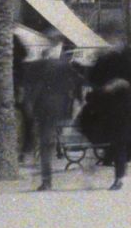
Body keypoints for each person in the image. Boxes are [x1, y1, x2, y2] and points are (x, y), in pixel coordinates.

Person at [77, 45, 131, 189]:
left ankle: (120, 175)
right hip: (109, 112)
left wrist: (114, 86)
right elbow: (94, 81)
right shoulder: (105, 61)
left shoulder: (121, 60)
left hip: (119, 112)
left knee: (119, 143)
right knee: (118, 143)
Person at [21, 50, 86, 192]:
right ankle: (46, 178)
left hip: (47, 112)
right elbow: (78, 85)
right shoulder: (66, 69)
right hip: (61, 112)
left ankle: (46, 181)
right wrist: (78, 102)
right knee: (48, 144)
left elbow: (33, 90)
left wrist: (31, 105)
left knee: (46, 145)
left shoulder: (41, 69)